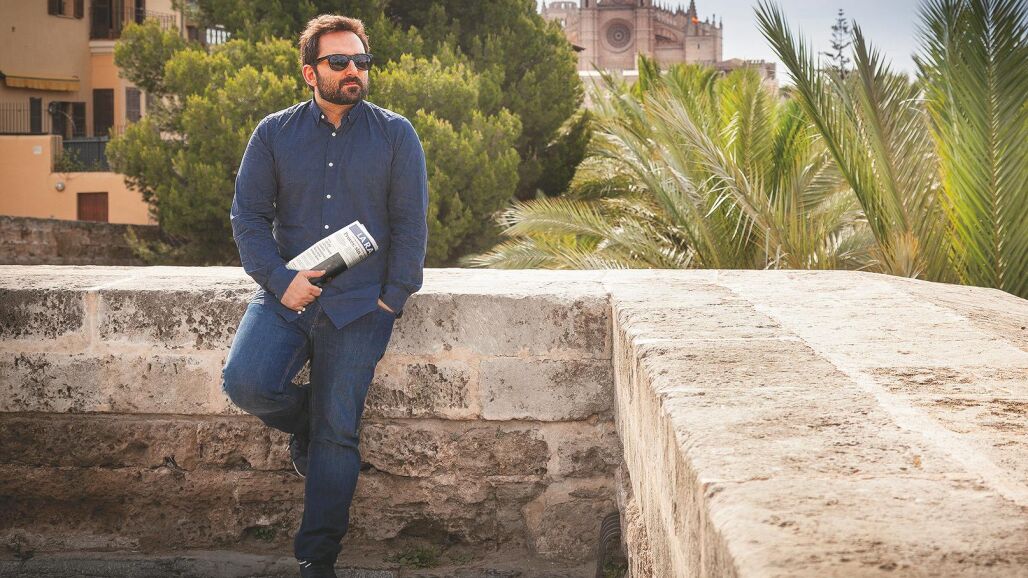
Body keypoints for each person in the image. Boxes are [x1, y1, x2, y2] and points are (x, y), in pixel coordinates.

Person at [221, 14, 428, 578]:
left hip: (362, 307)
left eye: (361, 61)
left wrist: (392, 300)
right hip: (287, 295)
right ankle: (306, 421)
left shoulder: (396, 135)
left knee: (340, 433)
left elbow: (410, 226)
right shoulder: (273, 134)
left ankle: (317, 557)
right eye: (340, 62)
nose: (354, 70)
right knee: (245, 383)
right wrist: (277, 280)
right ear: (310, 72)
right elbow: (248, 218)